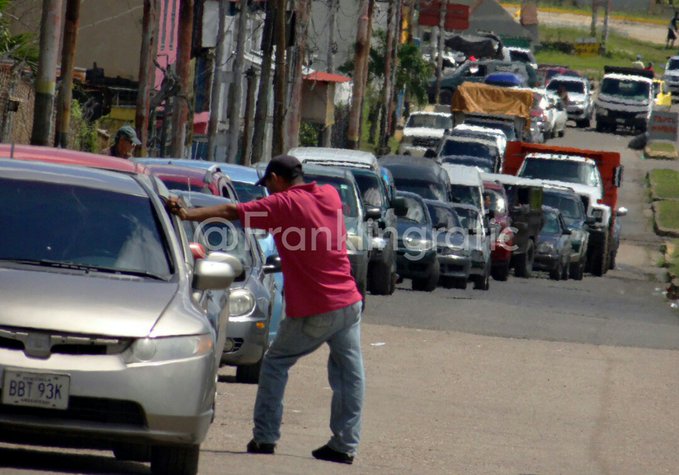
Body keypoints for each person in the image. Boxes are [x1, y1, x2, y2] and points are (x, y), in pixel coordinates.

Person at [167, 154, 364, 465]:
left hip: (315, 307)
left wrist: (189, 214)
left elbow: (233, 211)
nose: (268, 193)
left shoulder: (283, 204)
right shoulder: (329, 194)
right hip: (349, 303)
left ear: (275, 179)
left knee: (274, 363)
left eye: (268, 186)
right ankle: (345, 444)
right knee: (350, 375)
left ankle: (265, 437)